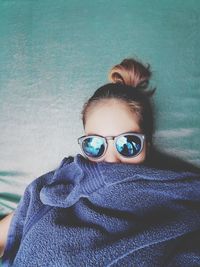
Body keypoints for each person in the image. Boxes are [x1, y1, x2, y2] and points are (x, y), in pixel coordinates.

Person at [1, 58, 200, 266]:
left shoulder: (177, 201)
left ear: (147, 144)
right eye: (95, 145)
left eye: (128, 144)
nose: (111, 159)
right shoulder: (52, 188)